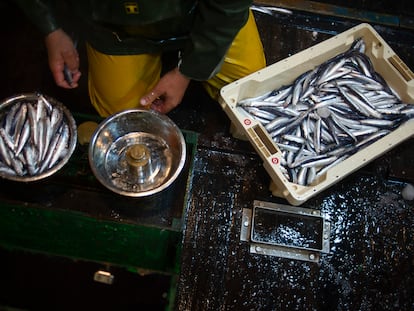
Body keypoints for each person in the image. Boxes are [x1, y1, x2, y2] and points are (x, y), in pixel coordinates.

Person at [15, 1, 266, 117]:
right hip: (112, 30)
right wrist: (52, 29)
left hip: (201, 15)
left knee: (253, 94)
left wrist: (188, 71)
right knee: (124, 118)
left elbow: (229, 7)